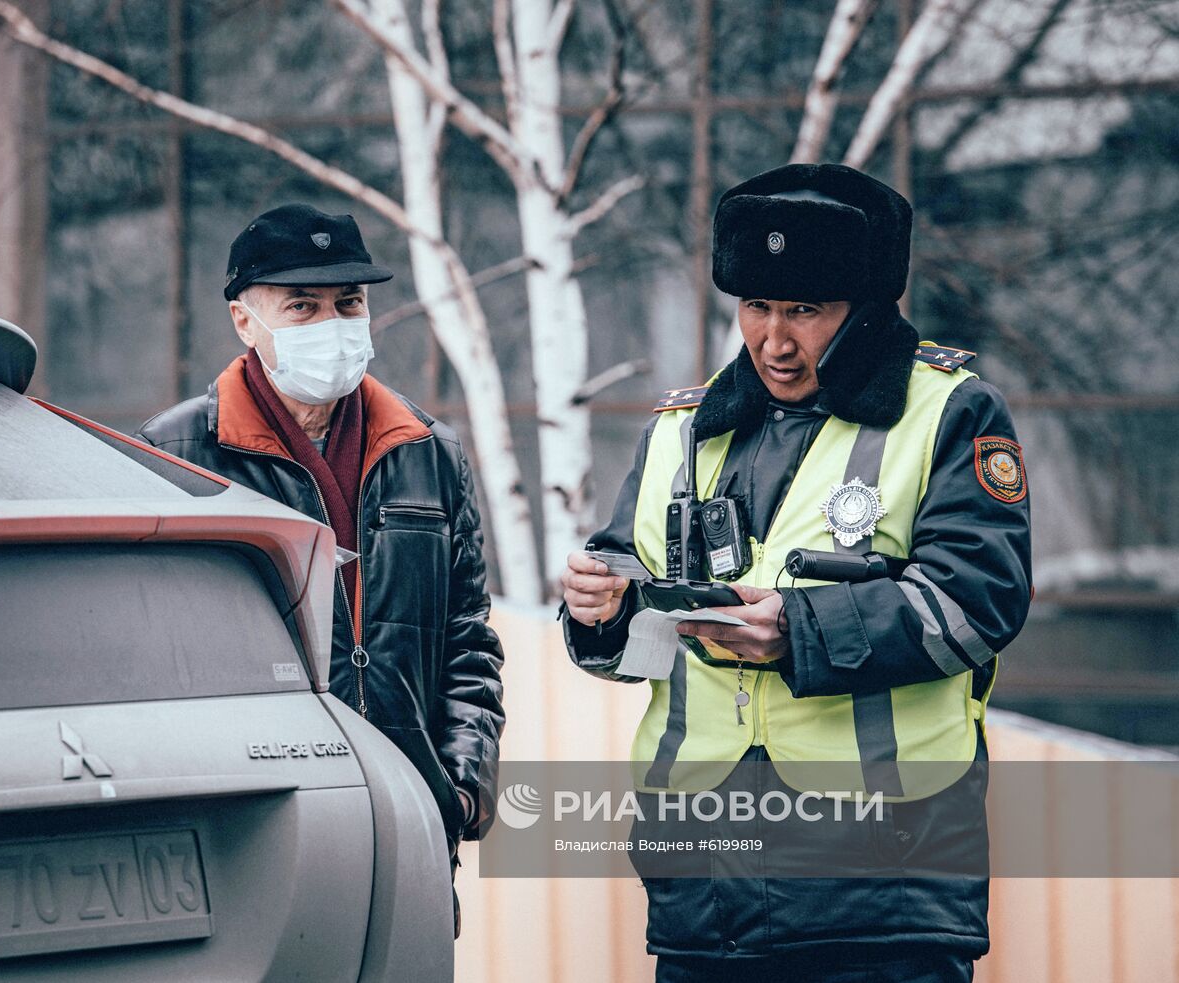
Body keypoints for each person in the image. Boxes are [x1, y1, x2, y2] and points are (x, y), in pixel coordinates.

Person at [560, 164, 1031, 982]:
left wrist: (794, 631)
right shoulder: (679, 429)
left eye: (805, 311)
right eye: (756, 307)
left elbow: (974, 599)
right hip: (701, 897)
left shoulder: (953, 411)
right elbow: (632, 604)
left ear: (869, 306)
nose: (773, 340)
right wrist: (599, 614)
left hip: (883, 894)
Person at [136, 203, 505, 902]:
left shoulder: (429, 451)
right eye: (302, 306)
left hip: (409, 822)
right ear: (245, 321)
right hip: (252, 833)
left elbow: (467, 641)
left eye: (349, 303)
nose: (332, 326)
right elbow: (156, 659)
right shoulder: (175, 454)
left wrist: (461, 787)